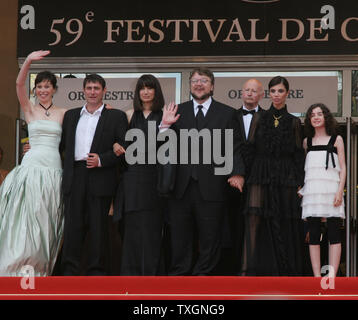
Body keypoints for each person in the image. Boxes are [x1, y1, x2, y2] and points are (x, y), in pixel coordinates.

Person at [160, 67, 245, 276]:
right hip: (180, 186)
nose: (199, 84)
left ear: (212, 86)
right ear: (189, 85)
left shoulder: (227, 113)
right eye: (195, 80)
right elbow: (162, 148)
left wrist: (237, 172)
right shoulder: (176, 111)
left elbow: (234, 146)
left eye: (204, 80)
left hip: (212, 185)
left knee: (211, 236)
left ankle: (203, 275)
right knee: (180, 235)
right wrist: (164, 126)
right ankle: (179, 274)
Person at [0, 50, 65, 276]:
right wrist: (28, 61)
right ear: (35, 89)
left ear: (54, 89)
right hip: (32, 167)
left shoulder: (63, 113)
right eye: (39, 86)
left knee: (47, 221)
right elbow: (19, 85)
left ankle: (40, 269)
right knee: (28, 219)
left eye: (47, 86)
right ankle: (18, 266)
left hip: (54, 170)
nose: (43, 90)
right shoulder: (29, 109)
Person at [59, 73, 128, 276]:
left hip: (101, 175)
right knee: (73, 226)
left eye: (96, 88)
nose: (92, 92)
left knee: (99, 228)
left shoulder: (117, 116)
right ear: (83, 90)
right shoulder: (71, 116)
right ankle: (69, 271)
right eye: (89, 88)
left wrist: (102, 159)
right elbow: (60, 146)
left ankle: (96, 272)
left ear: (104, 91)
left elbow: (124, 148)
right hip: (75, 174)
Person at [241, 76, 305, 276]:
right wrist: (245, 175)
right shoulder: (259, 118)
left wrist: (301, 183)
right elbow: (248, 149)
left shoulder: (294, 121)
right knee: (255, 219)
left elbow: (297, 154)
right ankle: (250, 269)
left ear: (287, 93)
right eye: (273, 91)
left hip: (286, 177)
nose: (276, 95)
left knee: (284, 220)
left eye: (280, 91)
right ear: (268, 93)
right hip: (260, 174)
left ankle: (284, 270)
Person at [113, 74, 166, 275]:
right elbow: (120, 143)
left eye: (150, 88)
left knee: (152, 230)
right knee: (131, 229)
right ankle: (130, 274)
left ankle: (152, 274)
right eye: (142, 88)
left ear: (156, 91)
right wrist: (117, 145)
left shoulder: (164, 116)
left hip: (155, 179)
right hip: (132, 179)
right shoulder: (128, 115)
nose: (145, 92)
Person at [299, 103, 345, 277]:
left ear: (326, 117)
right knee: (314, 233)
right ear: (309, 120)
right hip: (312, 193)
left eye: (319, 114)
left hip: (332, 190)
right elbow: (306, 170)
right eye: (312, 115)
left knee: (334, 232)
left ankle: (332, 275)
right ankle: (316, 276)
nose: (316, 117)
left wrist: (340, 191)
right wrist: (303, 189)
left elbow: (343, 167)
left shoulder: (337, 139)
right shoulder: (306, 142)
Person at [225, 79, 264, 274]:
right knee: (234, 224)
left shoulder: (267, 117)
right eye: (246, 90)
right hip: (234, 181)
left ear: (261, 95)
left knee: (258, 224)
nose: (249, 93)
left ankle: (254, 268)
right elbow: (229, 145)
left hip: (260, 179)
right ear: (241, 93)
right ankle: (234, 271)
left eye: (254, 91)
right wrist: (236, 172)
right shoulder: (230, 116)